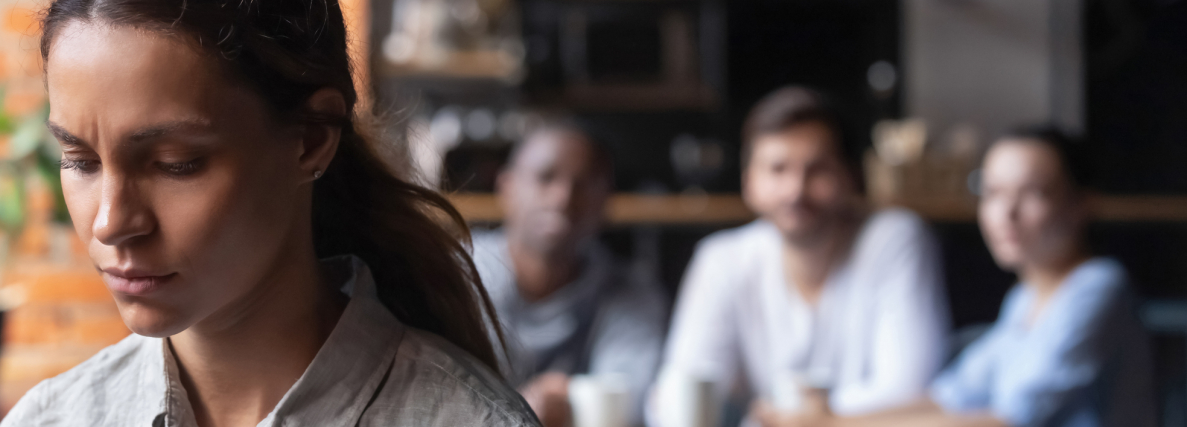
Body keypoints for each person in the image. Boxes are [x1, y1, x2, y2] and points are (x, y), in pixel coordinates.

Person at [0, 1, 540, 426]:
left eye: (175, 164)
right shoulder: (54, 417)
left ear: (310, 140)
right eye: (79, 161)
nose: (110, 223)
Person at [764, 126, 1154, 427]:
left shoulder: (1098, 288)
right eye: (994, 193)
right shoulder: (1024, 300)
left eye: (1032, 194)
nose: (1007, 213)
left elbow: (1010, 419)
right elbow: (951, 397)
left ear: (1081, 204)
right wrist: (831, 419)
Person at [650, 86, 950, 425]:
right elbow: (686, 386)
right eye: (778, 169)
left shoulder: (894, 239)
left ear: (850, 176)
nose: (795, 190)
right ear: (749, 182)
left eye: (817, 170)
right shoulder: (722, 259)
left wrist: (811, 419)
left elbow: (909, 390)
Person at [472, 125, 667, 427]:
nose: (563, 197)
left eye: (584, 184)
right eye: (545, 177)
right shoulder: (454, 275)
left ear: (606, 201)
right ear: (506, 186)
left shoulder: (633, 292)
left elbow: (630, 402)